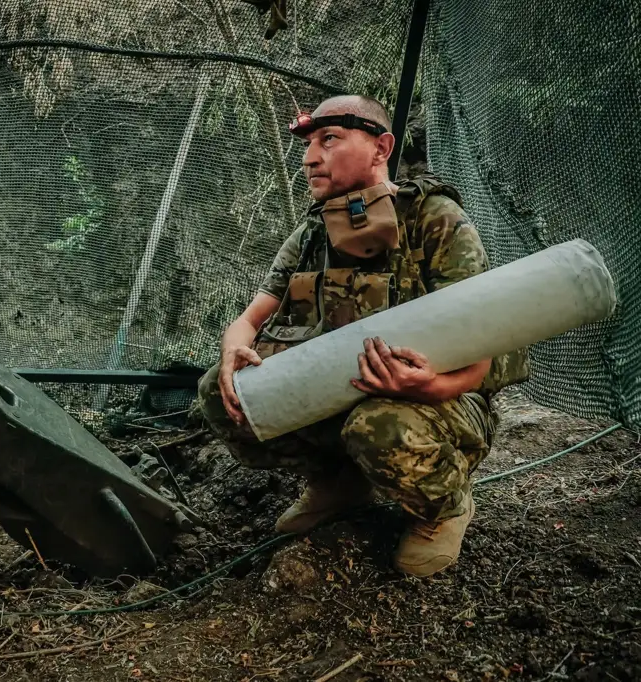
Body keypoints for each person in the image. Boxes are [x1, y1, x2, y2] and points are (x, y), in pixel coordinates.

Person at [196, 94, 528, 577]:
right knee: (220, 393)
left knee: (378, 427)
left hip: (442, 400)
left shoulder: (434, 220)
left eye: (329, 139)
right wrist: (232, 350)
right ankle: (337, 484)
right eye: (308, 144)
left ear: (381, 147)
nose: (311, 157)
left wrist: (430, 386)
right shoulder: (313, 234)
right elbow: (250, 318)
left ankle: (443, 507)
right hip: (343, 390)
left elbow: (479, 350)